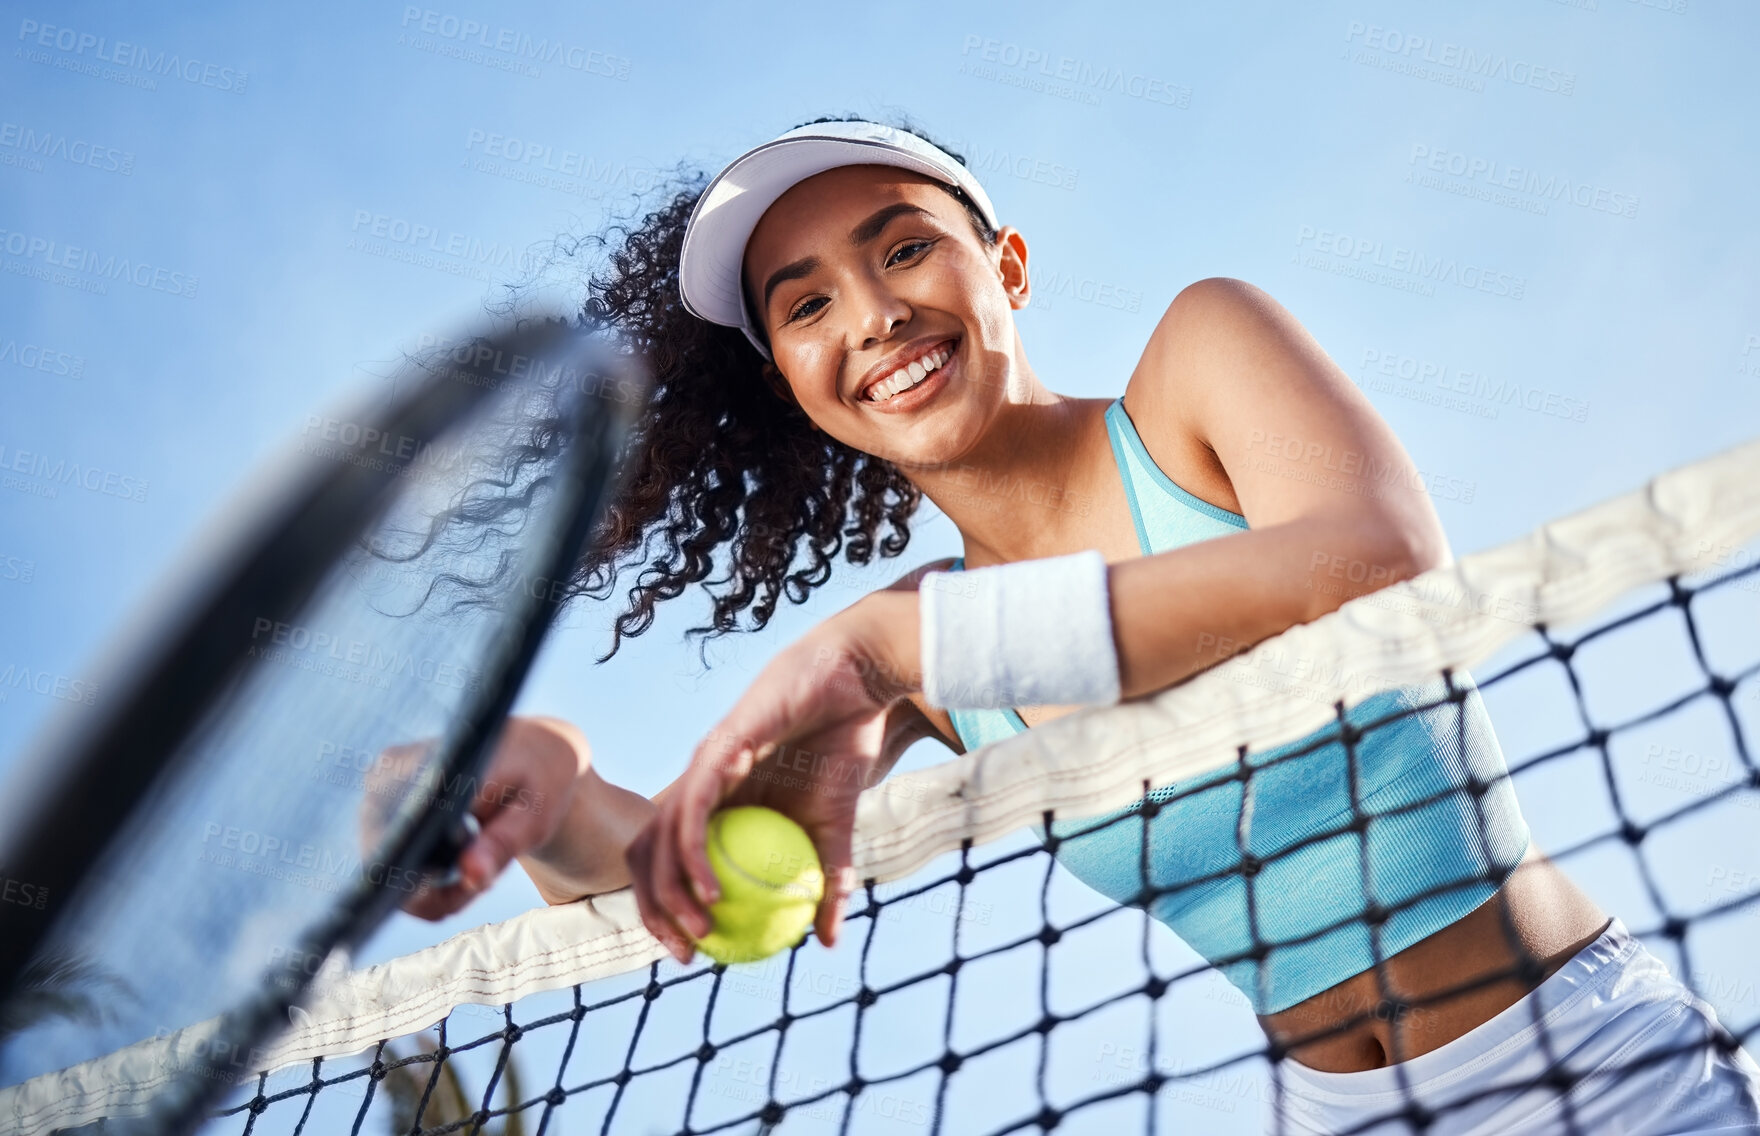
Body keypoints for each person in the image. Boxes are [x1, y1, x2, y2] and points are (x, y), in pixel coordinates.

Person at [409, 117, 1760, 1134]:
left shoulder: (1195, 370)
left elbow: (1374, 565)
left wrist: (906, 657)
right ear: (794, 386)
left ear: (1007, 268)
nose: (874, 314)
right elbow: (700, 888)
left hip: (1603, 1075)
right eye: (807, 303)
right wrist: (548, 794)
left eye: (903, 247)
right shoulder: (907, 644)